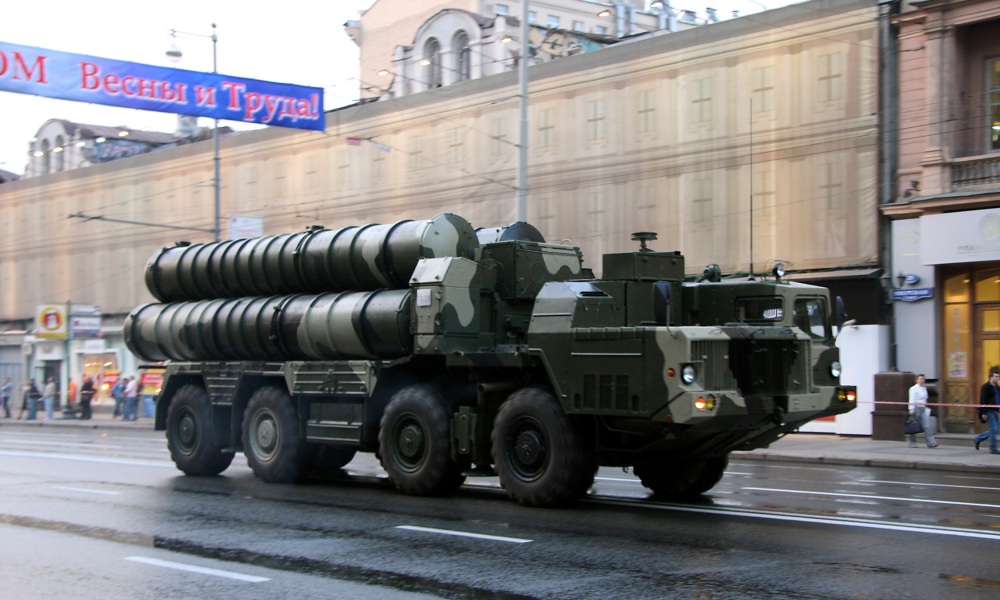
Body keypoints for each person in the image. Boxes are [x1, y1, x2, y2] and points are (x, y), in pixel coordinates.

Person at [907, 373, 938, 448]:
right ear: (916, 380)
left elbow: (925, 399)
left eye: (923, 379)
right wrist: (911, 409)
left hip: (923, 408)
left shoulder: (924, 388)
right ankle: (912, 442)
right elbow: (912, 399)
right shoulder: (913, 389)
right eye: (920, 379)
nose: (922, 380)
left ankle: (931, 442)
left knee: (927, 426)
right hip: (916, 408)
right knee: (913, 426)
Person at [975, 370, 1000, 455]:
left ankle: (978, 438)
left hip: (995, 410)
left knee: (996, 429)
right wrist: (984, 413)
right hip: (988, 411)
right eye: (996, 376)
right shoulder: (985, 387)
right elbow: (983, 400)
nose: (998, 378)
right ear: (991, 377)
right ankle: (993, 448)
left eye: (998, 377)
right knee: (994, 429)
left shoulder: (997, 387)